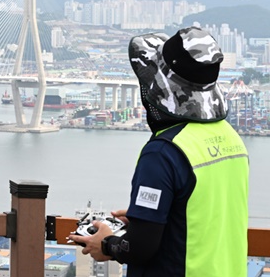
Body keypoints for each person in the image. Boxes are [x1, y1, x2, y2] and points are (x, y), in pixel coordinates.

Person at [68, 26, 249, 276]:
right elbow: (203, 216)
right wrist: (147, 219)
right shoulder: (232, 139)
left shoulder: (163, 153)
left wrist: (107, 244)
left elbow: (139, 248)